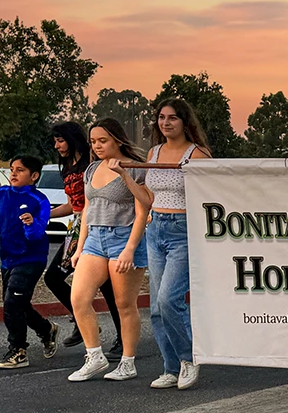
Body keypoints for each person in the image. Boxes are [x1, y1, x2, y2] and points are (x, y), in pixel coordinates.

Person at [67, 118, 154, 383]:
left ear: (118, 139)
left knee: (124, 304)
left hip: (124, 238)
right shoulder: (92, 169)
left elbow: (143, 211)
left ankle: (128, 362)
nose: (97, 146)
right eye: (93, 141)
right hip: (95, 238)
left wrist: (130, 249)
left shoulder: (136, 168)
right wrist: (79, 247)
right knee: (78, 298)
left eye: (103, 140)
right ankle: (94, 356)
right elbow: (87, 210)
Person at [144, 99, 212, 390]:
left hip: (183, 230)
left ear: (185, 122)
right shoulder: (154, 152)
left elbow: (209, 197)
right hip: (154, 227)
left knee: (169, 300)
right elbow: (148, 195)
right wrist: (124, 175)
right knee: (156, 308)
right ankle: (170, 367)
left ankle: (188, 358)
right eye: (161, 117)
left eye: (172, 118)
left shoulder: (197, 155)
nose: (166, 123)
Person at [0, 155, 58, 369]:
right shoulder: (2, 194)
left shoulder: (39, 200)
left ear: (34, 176)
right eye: (12, 169)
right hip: (8, 259)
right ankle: (46, 329)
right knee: (17, 304)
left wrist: (30, 224)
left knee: (12, 303)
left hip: (32, 258)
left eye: (20, 170)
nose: (13, 173)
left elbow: (38, 233)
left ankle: (18, 350)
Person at [45, 122, 124, 355]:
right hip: (77, 226)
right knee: (53, 277)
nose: (57, 146)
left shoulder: (91, 163)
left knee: (109, 286)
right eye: (55, 141)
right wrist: (45, 214)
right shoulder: (67, 165)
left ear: (71, 138)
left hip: (98, 224)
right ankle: (82, 321)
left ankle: (122, 339)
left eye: (60, 140)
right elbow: (73, 205)